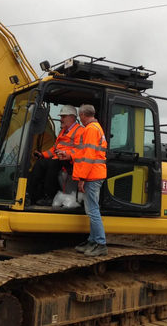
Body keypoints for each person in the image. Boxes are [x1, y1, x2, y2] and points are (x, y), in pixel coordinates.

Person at [56, 104, 108, 257]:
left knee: (92, 211)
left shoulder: (91, 130)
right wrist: (70, 156)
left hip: (92, 175)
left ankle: (100, 243)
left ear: (84, 115)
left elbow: (89, 156)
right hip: (94, 174)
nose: (80, 118)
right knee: (91, 209)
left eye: (80, 116)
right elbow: (83, 152)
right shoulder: (95, 128)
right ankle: (92, 240)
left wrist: (82, 178)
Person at [27, 105, 84, 206]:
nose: (61, 119)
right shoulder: (63, 131)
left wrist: (67, 154)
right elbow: (55, 149)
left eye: (63, 117)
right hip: (59, 159)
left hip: (71, 161)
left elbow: (80, 150)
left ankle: (48, 196)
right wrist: (42, 155)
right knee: (40, 164)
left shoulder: (80, 131)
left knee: (53, 164)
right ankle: (30, 193)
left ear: (72, 118)